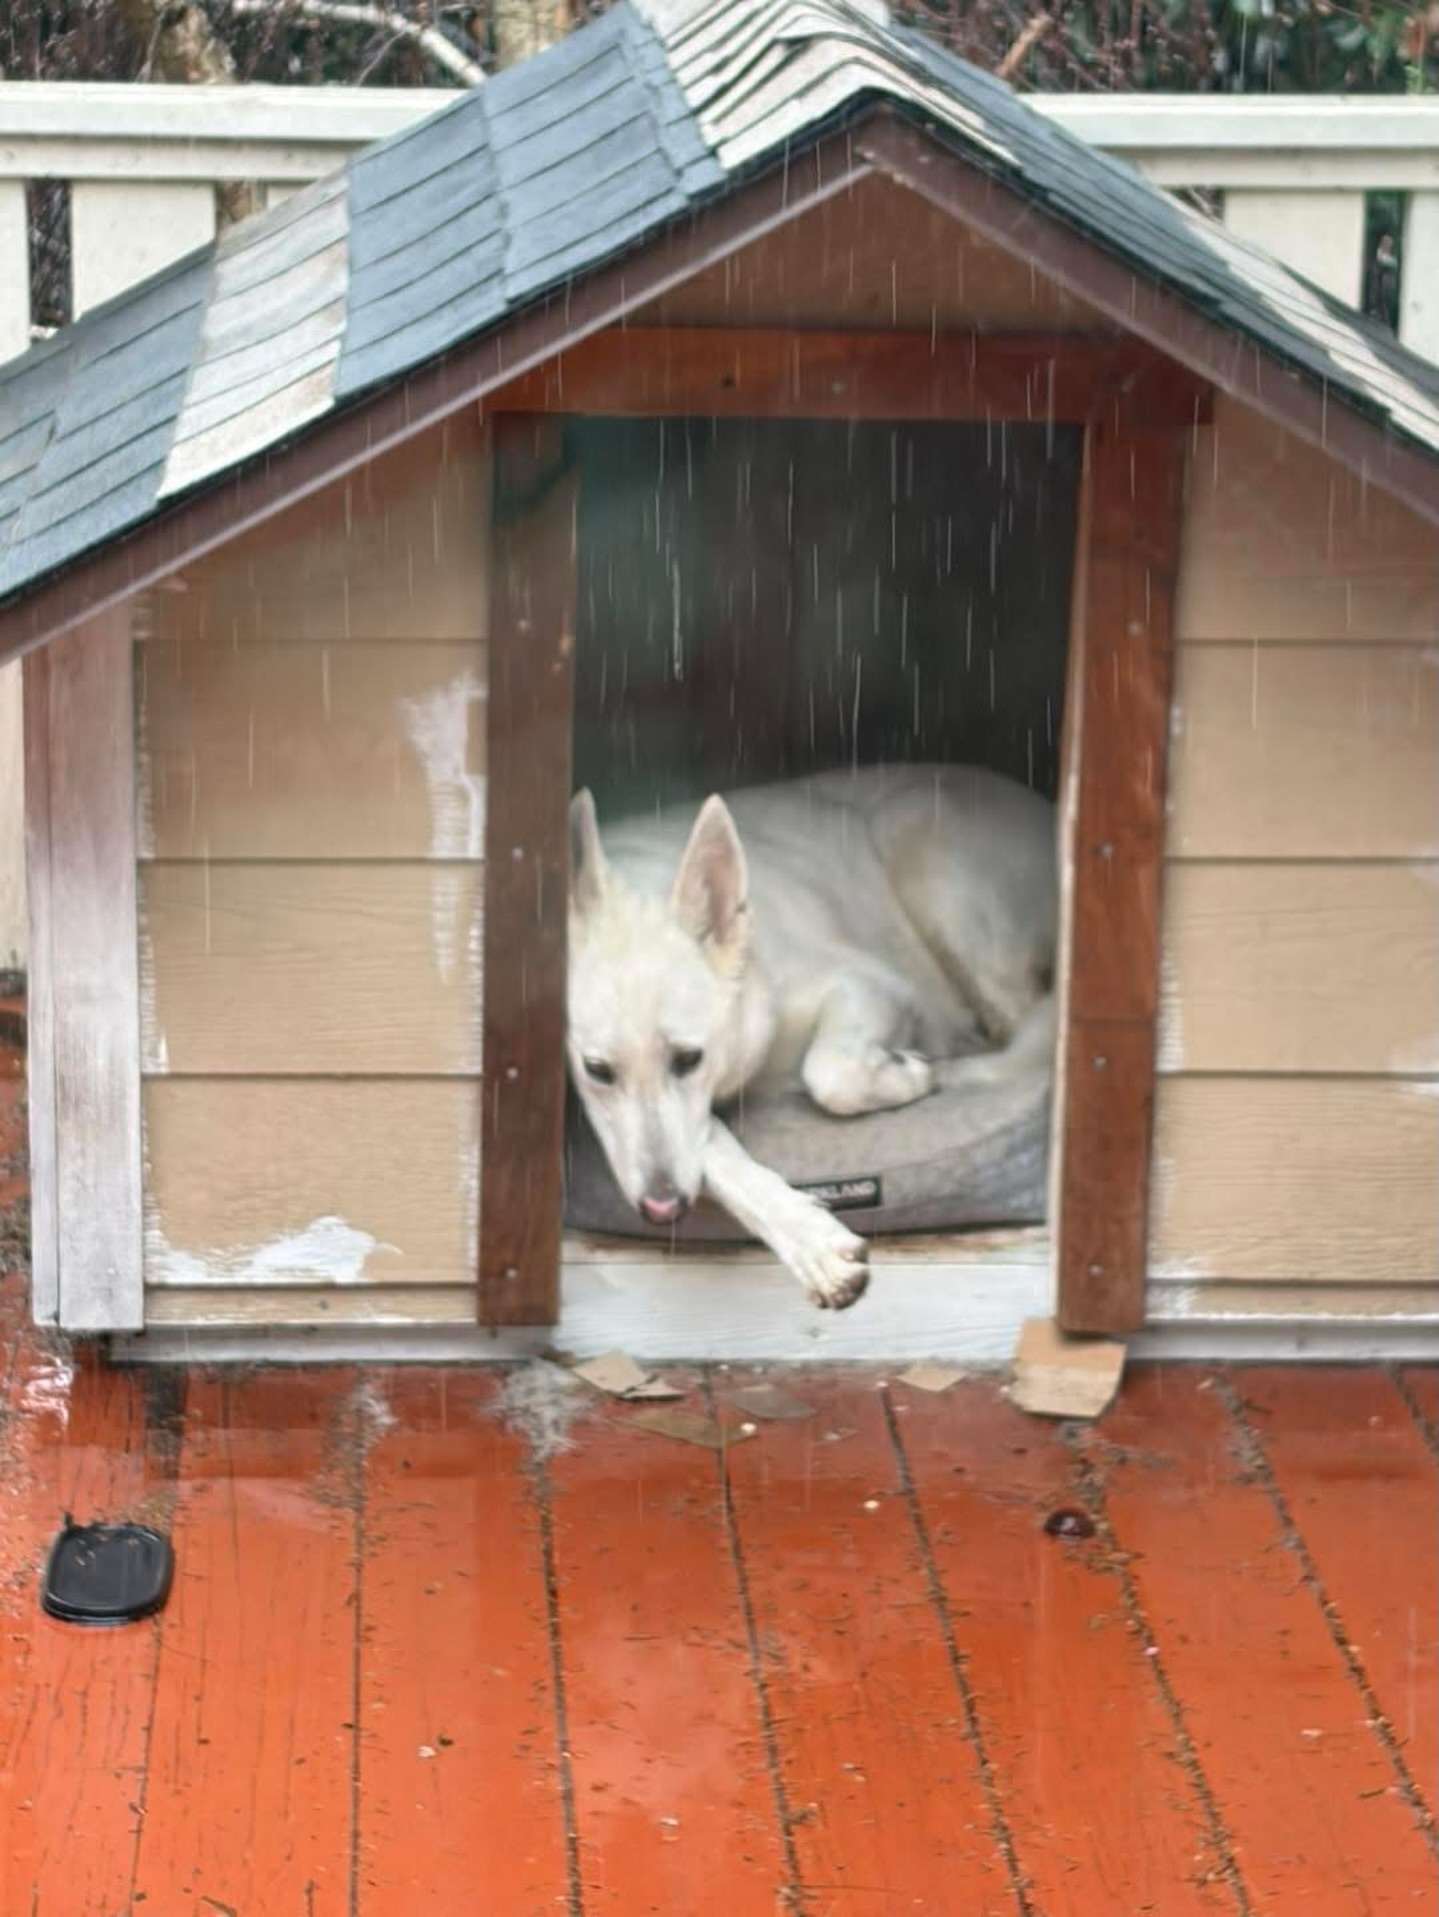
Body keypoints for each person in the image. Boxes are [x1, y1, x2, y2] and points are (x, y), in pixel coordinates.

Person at [1363, 232, 1400, 331]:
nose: (1386, 245)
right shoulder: (1374, 255)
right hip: (1372, 294)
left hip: (1384, 294)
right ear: (1381, 242)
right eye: (1385, 242)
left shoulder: (1392, 260)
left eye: (1388, 243)